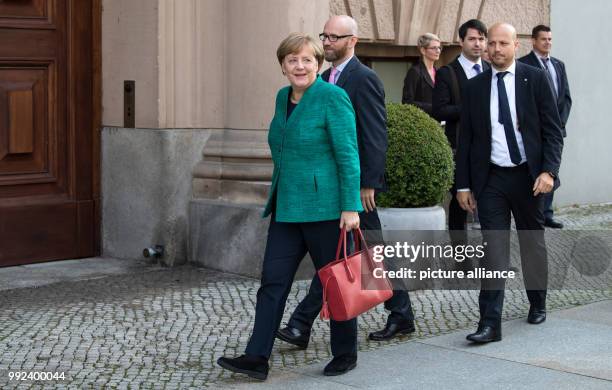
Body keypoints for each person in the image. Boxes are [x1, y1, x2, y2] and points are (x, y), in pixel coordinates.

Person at [216, 33, 362, 379]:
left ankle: (345, 352)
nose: (300, 66)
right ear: (282, 66)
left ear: (318, 64)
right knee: (272, 281)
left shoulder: (333, 97)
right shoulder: (283, 98)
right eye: (292, 60)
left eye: (307, 59)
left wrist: (350, 206)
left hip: (327, 210)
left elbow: (348, 154)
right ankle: (256, 358)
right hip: (286, 208)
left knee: (336, 283)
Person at [276, 15, 416, 347]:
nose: (326, 42)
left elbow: (373, 134)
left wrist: (368, 183)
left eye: (334, 37)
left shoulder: (364, 78)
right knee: (364, 252)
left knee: (356, 253)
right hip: (332, 187)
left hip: (356, 189)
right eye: (324, 36)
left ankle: (301, 323)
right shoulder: (321, 78)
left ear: (352, 40)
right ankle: (401, 312)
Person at [455, 23, 563, 343]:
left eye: (504, 43)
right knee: (493, 249)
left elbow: (552, 131)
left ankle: (537, 300)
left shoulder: (535, 79)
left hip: (529, 177)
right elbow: (467, 141)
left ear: (516, 45)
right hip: (492, 179)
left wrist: (549, 172)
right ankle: (489, 324)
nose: (497, 49)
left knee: (532, 242)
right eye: (492, 43)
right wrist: (463, 185)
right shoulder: (475, 87)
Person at [433, 19, 489, 248]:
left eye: (481, 39)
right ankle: (461, 258)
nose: (478, 44)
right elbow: (439, 110)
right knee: (459, 205)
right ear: (461, 41)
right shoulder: (448, 73)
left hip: (490, 150)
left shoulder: (490, 69)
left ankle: (494, 258)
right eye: (472, 39)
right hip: (459, 149)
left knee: (491, 205)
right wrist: (471, 108)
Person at [519, 25, 572, 229]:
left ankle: (547, 213)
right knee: (535, 169)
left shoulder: (559, 65)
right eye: (543, 39)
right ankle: (534, 213)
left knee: (551, 168)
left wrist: (559, 123)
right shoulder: (522, 64)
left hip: (555, 129)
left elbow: (566, 98)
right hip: (532, 131)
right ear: (533, 41)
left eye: (550, 39)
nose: (548, 42)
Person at [402, 33, 441, 115]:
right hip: (422, 123)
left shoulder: (438, 72)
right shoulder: (414, 72)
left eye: (439, 47)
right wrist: (433, 107)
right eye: (434, 48)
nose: (438, 51)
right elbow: (407, 102)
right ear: (423, 50)